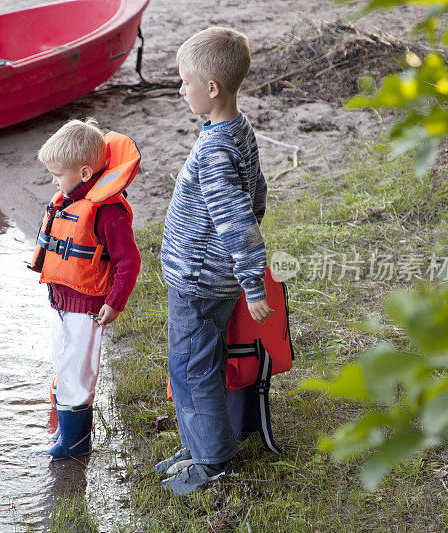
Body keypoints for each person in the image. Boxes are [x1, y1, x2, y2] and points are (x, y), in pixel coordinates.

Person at [157, 27, 274, 494]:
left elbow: (236, 220)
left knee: (191, 367)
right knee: (194, 361)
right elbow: (257, 192)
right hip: (209, 274)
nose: (181, 89)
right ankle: (197, 445)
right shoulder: (234, 129)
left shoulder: (213, 149)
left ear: (211, 88)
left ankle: (212, 462)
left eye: (185, 82)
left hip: (200, 281)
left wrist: (251, 281)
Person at [30, 118, 141, 460]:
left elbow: (129, 261)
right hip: (63, 302)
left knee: (79, 371)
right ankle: (66, 430)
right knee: (64, 364)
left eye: (58, 174)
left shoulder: (107, 213)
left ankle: (76, 445)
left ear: (82, 173)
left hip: (88, 308)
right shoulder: (70, 199)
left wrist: (115, 302)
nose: (53, 181)